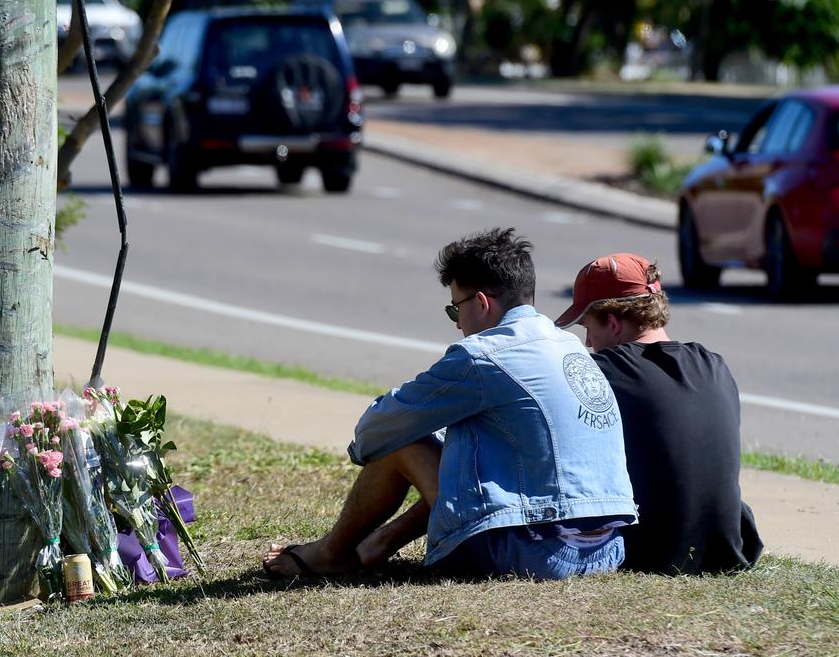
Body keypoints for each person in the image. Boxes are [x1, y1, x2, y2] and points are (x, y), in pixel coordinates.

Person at [263, 228, 637, 580]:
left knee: (407, 443)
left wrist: (369, 449)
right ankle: (381, 542)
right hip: (608, 549)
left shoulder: (483, 355)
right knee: (476, 450)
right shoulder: (570, 346)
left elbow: (380, 428)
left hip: (538, 553)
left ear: (481, 302)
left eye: (455, 309)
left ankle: (331, 553)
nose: (458, 324)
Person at [555, 253, 763, 575]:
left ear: (612, 322)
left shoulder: (603, 373)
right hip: (730, 549)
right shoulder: (715, 365)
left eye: (588, 328)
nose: (587, 342)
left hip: (651, 554)